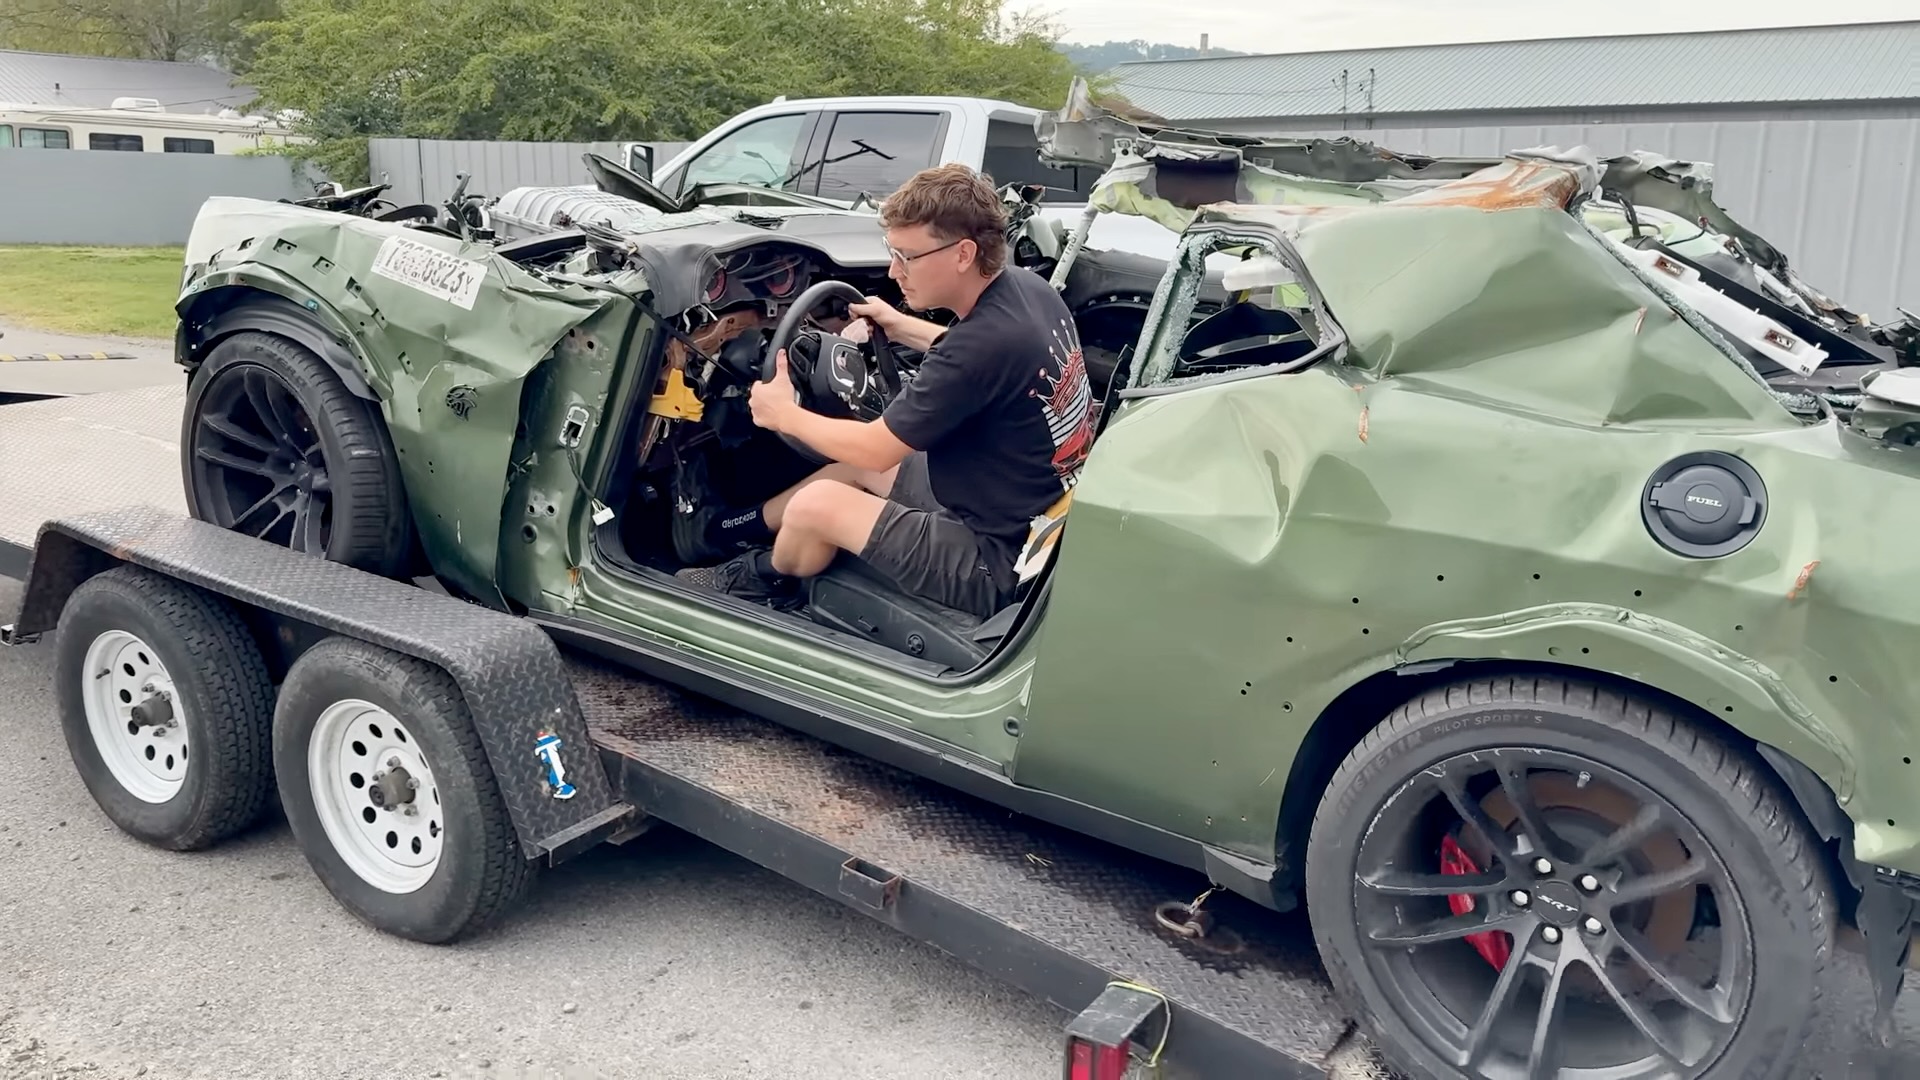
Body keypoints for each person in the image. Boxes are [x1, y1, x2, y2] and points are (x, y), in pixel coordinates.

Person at [672, 162, 1094, 617]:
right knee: (849, 468)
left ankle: (766, 577)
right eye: (891, 253)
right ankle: (729, 531)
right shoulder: (1028, 291)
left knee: (817, 504)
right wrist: (900, 326)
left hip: (999, 561)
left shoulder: (977, 349)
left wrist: (782, 415)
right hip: (1035, 514)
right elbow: (979, 358)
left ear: (963, 253)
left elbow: (876, 449)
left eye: (907, 257)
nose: (894, 272)